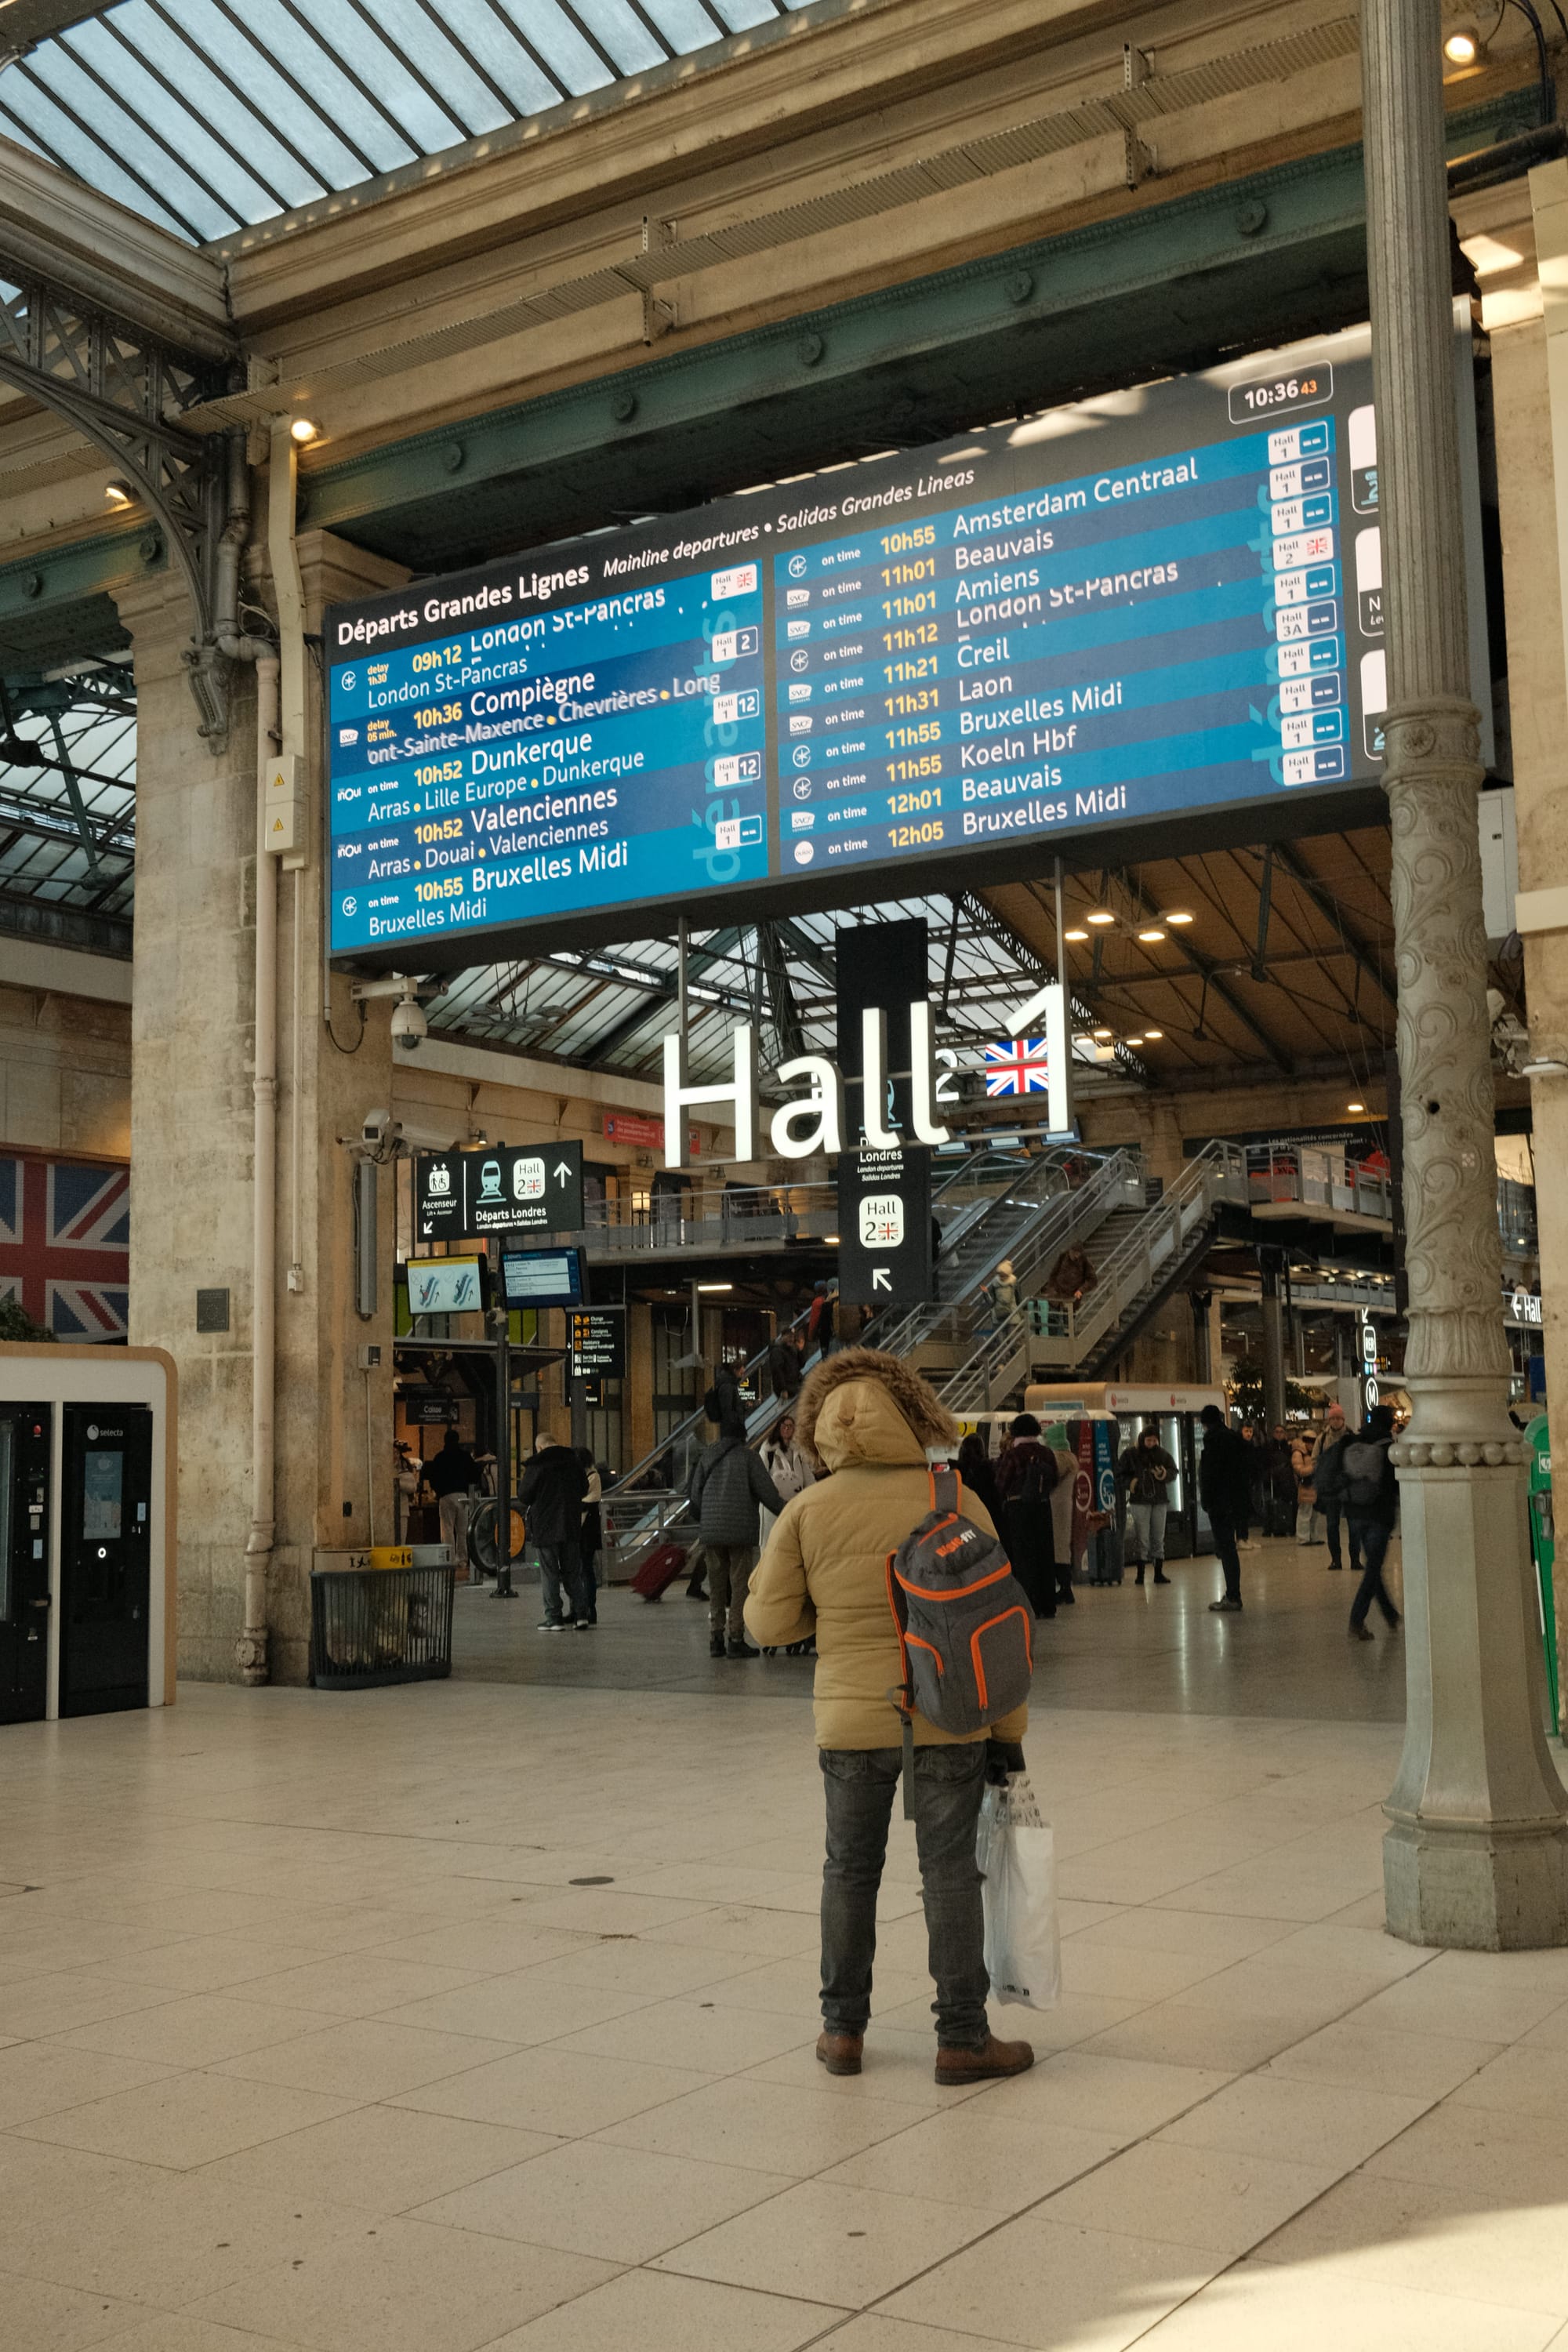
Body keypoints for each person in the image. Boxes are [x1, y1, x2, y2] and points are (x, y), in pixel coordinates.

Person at [745, 1346, 1035, 2088]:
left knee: (849, 1871)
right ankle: (963, 2040)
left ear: (821, 1432)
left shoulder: (807, 1510)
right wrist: (1010, 1735)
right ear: (914, 1418)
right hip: (948, 1717)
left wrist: (817, 1605)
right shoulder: (956, 1499)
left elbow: (767, 1628)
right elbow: (1000, 1627)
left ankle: (842, 2033)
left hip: (849, 1722)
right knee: (949, 1874)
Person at [689, 1415, 786, 1660]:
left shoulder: (707, 1457)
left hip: (712, 1531)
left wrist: (709, 1518)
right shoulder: (748, 1458)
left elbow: (695, 1496)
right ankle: (735, 1638)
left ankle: (715, 1639)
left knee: (717, 1586)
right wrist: (791, 1514)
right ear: (743, 1437)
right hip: (740, 1531)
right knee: (739, 1585)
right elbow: (768, 1495)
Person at [994, 1411, 1063, 1616]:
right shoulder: (1046, 1453)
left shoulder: (1013, 1455)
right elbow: (1055, 1479)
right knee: (1045, 1554)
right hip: (1042, 1507)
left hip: (1018, 1509)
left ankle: (1029, 1604)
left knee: (1025, 1557)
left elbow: (1001, 1483)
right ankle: (1048, 1604)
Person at [520, 1435, 591, 1630]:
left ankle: (554, 1617)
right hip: (571, 1524)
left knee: (549, 1573)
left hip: (545, 1526)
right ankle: (581, 1614)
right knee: (573, 1572)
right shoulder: (573, 1461)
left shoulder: (537, 1465)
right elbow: (585, 1489)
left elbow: (524, 1495)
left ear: (540, 1447)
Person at [1344, 1404, 1402, 1640]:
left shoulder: (1356, 1441)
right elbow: (1394, 1483)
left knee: (1373, 1568)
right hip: (1379, 1514)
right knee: (1373, 1570)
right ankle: (1357, 1620)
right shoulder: (1388, 1447)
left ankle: (1390, 1615)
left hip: (1356, 1512)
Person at [1199, 1403, 1252, 1613]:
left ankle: (1233, 1596)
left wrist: (1208, 1500)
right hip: (1234, 1502)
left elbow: (1211, 1475)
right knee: (1228, 1548)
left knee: (1227, 1549)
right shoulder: (1233, 1438)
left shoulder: (1213, 1441)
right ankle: (1232, 1594)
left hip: (1220, 1504)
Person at [1116, 1425, 1177, 1586]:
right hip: (1141, 1500)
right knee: (1142, 1538)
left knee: (1158, 1537)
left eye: (1154, 1440)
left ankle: (1158, 1573)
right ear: (1143, 1439)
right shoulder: (1130, 1454)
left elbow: (1173, 1471)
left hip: (1158, 1501)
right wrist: (1131, 1483)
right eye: (1149, 1440)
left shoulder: (1162, 1454)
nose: (1151, 1443)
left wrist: (1164, 1474)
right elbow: (1119, 1474)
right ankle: (1141, 1575)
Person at [421, 1426, 480, 1570]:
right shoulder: (465, 1456)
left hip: (446, 1496)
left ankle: (449, 1558)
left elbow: (433, 1477)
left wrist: (439, 1491)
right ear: (458, 1440)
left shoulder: (440, 1457)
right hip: (462, 1496)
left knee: (447, 1529)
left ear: (445, 1441)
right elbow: (474, 1475)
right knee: (463, 1529)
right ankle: (462, 1559)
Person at [1312, 1403, 1357, 1574]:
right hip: (1331, 1488)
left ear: (1343, 1420)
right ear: (1329, 1420)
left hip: (1348, 1486)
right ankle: (1336, 1559)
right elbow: (1315, 1460)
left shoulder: (1352, 1436)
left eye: (1339, 1418)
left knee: (1353, 1525)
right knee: (1332, 1525)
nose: (1336, 1421)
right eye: (1333, 1418)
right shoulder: (1322, 1439)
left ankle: (1355, 1558)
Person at [576, 1446, 603, 1623]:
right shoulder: (585, 1476)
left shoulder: (593, 1477)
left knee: (586, 1569)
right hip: (582, 1531)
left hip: (587, 1532)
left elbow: (585, 1502)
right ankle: (579, 1608)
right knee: (580, 1570)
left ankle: (589, 1608)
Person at [1262, 1425, 1296, 1538]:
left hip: (1286, 1481)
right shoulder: (1268, 1448)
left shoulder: (1288, 1448)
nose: (1279, 1434)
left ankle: (1286, 1525)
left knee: (1286, 1504)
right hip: (1273, 1481)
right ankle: (1274, 1526)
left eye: (1281, 1432)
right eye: (1277, 1432)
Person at [1044, 1243, 1095, 1308]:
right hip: (1058, 1293)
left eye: (1078, 1254)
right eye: (1075, 1254)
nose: (1076, 1256)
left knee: (1070, 1312)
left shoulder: (1084, 1261)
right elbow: (1054, 1274)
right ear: (1070, 1251)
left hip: (1073, 1294)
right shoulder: (1063, 1257)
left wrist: (1081, 1290)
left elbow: (1092, 1279)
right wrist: (1051, 1287)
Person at [768, 1328, 804, 1401]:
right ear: (783, 1337)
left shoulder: (791, 1350)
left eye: (792, 1337)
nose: (791, 1339)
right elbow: (777, 1371)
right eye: (789, 1337)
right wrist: (783, 1389)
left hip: (793, 1386)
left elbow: (801, 1365)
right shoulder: (777, 1351)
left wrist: (799, 1350)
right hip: (786, 1389)